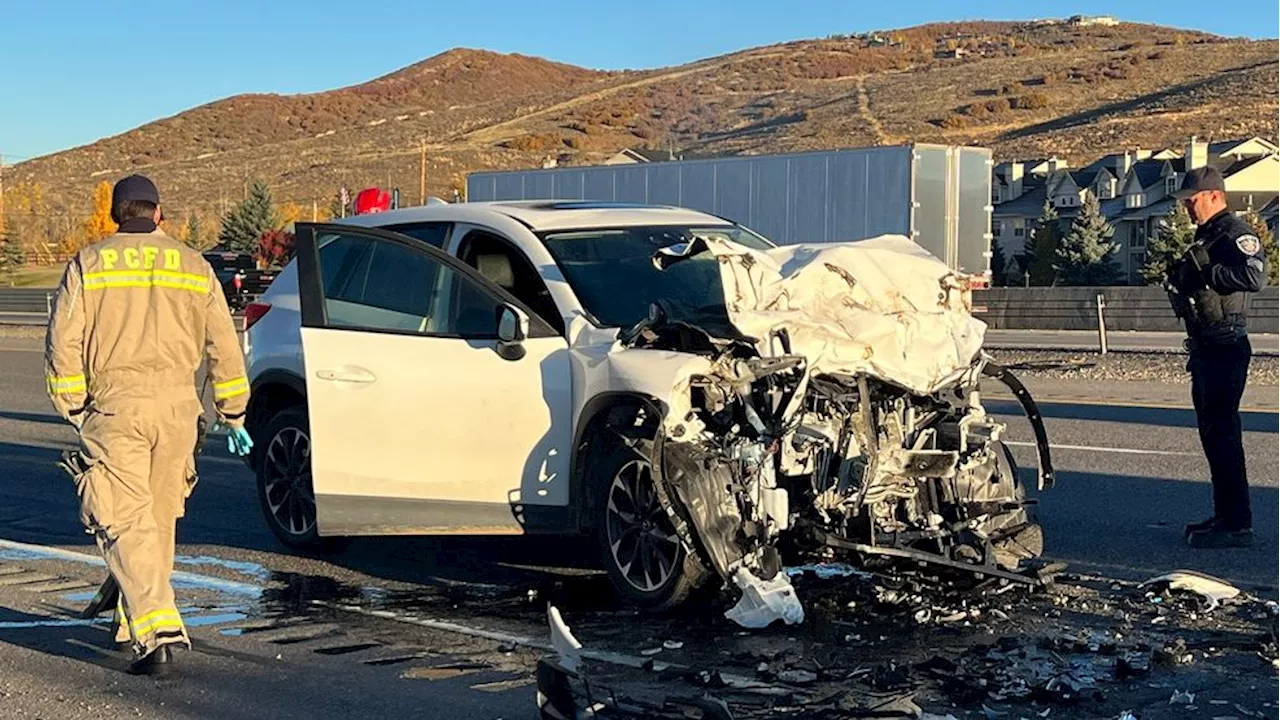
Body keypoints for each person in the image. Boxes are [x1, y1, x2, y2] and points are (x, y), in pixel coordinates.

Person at [44, 174, 255, 675]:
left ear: (117, 214)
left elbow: (63, 345)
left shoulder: (90, 264)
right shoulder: (193, 264)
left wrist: (75, 406)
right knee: (156, 523)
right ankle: (129, 623)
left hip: (117, 408)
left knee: (121, 520)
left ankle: (157, 629)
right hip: (179, 412)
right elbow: (225, 344)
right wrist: (234, 411)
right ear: (158, 214)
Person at [1166, 167, 1266, 549]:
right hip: (1208, 346)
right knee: (1212, 436)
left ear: (1213, 195)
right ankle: (1226, 514)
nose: (1188, 207)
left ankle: (1238, 523)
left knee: (1223, 436)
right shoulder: (1208, 233)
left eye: (1192, 200)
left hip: (1227, 346)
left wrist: (1208, 272)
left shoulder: (1234, 232)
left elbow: (1254, 277)